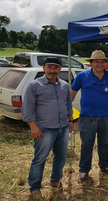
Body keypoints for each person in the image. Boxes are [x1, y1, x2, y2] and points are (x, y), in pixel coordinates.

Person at [22, 57, 74, 200]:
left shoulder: (64, 85)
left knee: (61, 156)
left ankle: (55, 180)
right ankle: (35, 187)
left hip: (63, 127)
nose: (52, 70)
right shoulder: (34, 85)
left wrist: (70, 120)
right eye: (49, 67)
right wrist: (33, 126)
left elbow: (68, 104)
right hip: (44, 128)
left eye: (55, 67)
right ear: (44, 67)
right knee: (40, 158)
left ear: (60, 69)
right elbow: (28, 108)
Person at [71, 50, 108, 182]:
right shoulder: (82, 76)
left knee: (104, 143)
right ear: (91, 63)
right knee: (87, 144)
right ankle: (83, 170)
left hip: (107, 117)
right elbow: (72, 92)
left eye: (102, 61)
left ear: (105, 63)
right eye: (97, 61)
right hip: (87, 117)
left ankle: (104, 166)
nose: (100, 64)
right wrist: (67, 111)